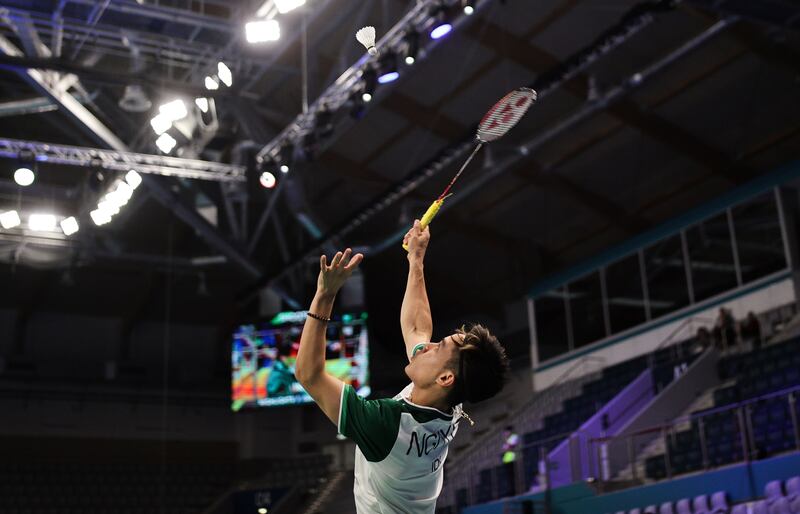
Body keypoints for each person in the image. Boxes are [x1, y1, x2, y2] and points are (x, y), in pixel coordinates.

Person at [295, 220, 509, 513]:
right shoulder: (450, 403)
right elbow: (417, 328)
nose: (428, 345)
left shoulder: (387, 425)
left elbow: (309, 375)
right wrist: (416, 259)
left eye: (439, 346)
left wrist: (324, 296)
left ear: (445, 378)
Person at [501, 425, 519, 496]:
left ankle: (515, 491)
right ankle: (511, 490)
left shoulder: (514, 437)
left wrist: (507, 444)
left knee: (513, 476)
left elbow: (510, 447)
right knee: (509, 477)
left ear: (509, 431)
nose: (505, 433)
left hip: (513, 459)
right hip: (507, 460)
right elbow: (504, 449)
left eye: (506, 432)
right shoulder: (507, 439)